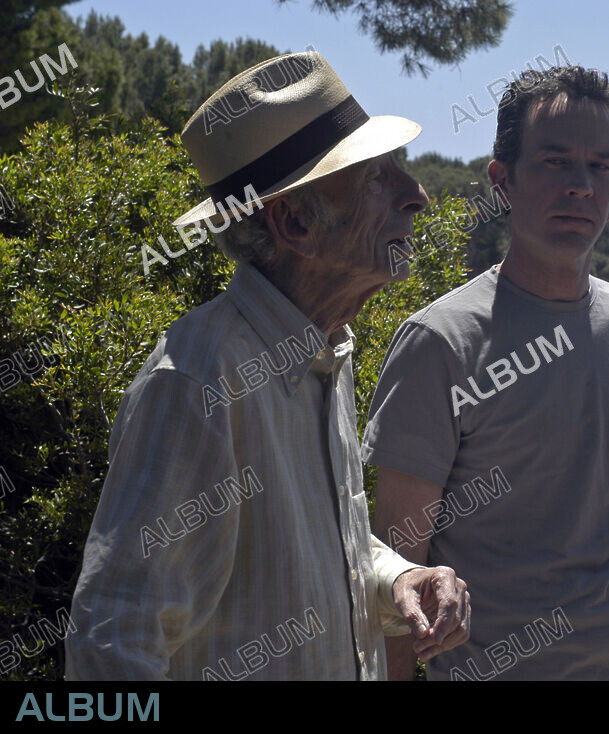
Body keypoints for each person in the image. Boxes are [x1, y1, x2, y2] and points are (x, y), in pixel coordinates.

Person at [66, 51, 470, 681]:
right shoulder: (195, 383)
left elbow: (316, 541)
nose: (416, 196)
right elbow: (113, 639)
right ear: (293, 222)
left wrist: (398, 577)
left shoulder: (325, 348)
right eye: (375, 179)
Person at [362, 65, 609, 681]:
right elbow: (397, 569)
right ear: (503, 181)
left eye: (599, 166)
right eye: (555, 162)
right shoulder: (441, 342)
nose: (580, 185)